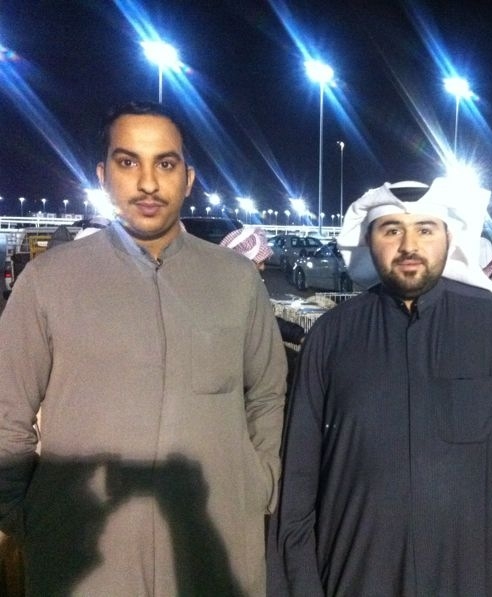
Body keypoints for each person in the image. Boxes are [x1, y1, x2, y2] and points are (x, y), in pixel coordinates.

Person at [0, 101, 287, 596]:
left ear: (188, 179)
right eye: (128, 161)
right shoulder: (49, 281)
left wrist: (258, 483)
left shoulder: (236, 279)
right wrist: (21, 510)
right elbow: (8, 410)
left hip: (213, 542)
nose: (148, 183)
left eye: (166, 163)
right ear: (103, 175)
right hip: (83, 552)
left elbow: (266, 392)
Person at [275, 178, 492, 596]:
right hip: (357, 567)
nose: (409, 245)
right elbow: (299, 470)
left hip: (473, 566)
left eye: (425, 229)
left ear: (449, 237)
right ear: (369, 241)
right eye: (391, 230)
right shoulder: (331, 337)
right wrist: (301, 580)